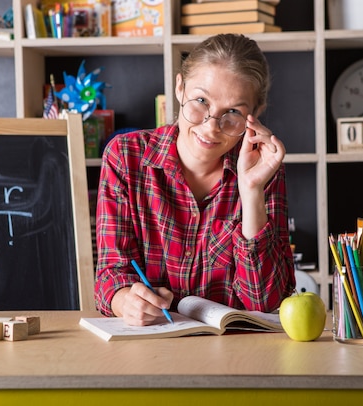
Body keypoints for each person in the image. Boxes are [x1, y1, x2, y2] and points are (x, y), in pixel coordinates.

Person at [94, 33, 295, 326]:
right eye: (201, 101)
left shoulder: (264, 168)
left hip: (234, 354)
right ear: (179, 88)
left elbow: (266, 302)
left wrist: (251, 191)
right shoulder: (126, 157)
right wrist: (124, 299)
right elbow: (110, 274)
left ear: (255, 115)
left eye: (233, 113)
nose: (212, 127)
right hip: (149, 348)